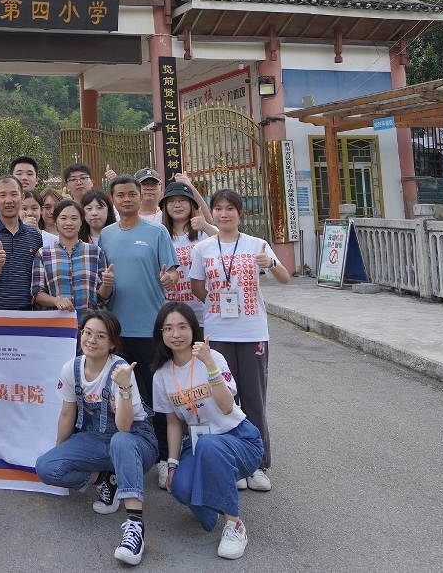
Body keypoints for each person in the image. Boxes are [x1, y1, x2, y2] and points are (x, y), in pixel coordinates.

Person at [35, 310, 158, 566]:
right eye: (87, 332)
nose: (91, 340)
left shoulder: (121, 370)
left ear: (112, 343)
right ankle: (106, 479)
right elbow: (67, 414)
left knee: (120, 441)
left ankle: (135, 526)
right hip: (95, 438)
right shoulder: (71, 368)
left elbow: (124, 426)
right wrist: (62, 454)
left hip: (136, 440)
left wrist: (124, 387)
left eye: (101, 336)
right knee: (47, 467)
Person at [189, 189, 290, 493]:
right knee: (224, 401)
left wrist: (270, 263)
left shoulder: (256, 244)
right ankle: (233, 462)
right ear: (212, 213)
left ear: (240, 213)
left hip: (252, 333)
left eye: (230, 208)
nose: (224, 214)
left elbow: (284, 278)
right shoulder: (203, 248)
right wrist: (217, 305)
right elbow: (197, 287)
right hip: (218, 333)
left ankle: (258, 464)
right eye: (218, 208)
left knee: (254, 400)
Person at [151, 302, 264, 560]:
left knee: (210, 444)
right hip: (199, 443)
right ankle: (214, 504)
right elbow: (173, 423)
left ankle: (234, 525)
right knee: (180, 486)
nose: (176, 334)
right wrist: (172, 464)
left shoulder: (213, 358)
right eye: (168, 328)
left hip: (239, 439)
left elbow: (227, 407)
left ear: (194, 328)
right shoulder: (162, 376)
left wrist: (209, 363)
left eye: (182, 327)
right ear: (161, 333)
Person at [99, 175, 179, 450]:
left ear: (141, 196)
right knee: (118, 395)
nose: (127, 199)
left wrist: (169, 278)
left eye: (132, 194)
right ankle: (124, 448)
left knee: (156, 393)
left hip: (150, 328)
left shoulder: (157, 232)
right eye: (120, 195)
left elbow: (172, 272)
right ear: (113, 199)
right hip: (115, 331)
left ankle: (163, 454)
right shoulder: (106, 235)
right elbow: (102, 283)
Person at [30, 199, 112, 324]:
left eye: (74, 218)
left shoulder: (95, 252)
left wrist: (107, 284)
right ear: (55, 222)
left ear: (81, 221)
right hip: (57, 326)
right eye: (63, 218)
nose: (69, 223)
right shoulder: (43, 254)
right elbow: (37, 293)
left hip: (89, 326)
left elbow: (103, 296)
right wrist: (56, 301)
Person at [0, 175, 43, 310]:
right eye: (2, 195)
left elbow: (37, 278)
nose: (8, 200)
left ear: (22, 198)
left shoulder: (35, 236)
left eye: (14, 194)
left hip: (26, 311)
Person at [159, 176, 217, 325]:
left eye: (182, 200)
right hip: (170, 312)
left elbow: (227, 242)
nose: (177, 205)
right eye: (171, 201)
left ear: (192, 204)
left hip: (203, 312)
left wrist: (206, 226)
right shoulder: (159, 235)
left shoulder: (203, 233)